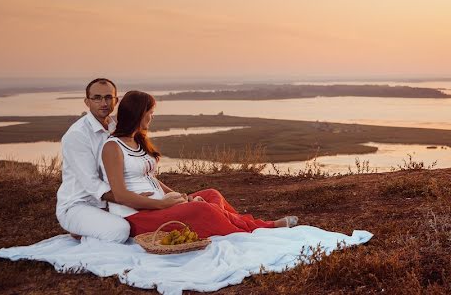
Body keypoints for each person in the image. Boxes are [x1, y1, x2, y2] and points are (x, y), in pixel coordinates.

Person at [100, 90, 297, 238]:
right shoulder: (112, 147)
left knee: (211, 194)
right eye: (150, 112)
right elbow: (120, 195)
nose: (153, 117)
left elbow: (150, 177)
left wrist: (180, 197)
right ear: (138, 113)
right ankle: (261, 228)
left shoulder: (138, 141)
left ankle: (246, 226)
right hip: (138, 216)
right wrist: (161, 204)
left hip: (161, 205)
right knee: (203, 210)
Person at [56, 78, 136, 242]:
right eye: (97, 98)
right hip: (79, 205)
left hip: (112, 202)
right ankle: (84, 232)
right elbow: (91, 183)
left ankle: (92, 230)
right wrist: (130, 199)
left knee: (149, 221)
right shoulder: (77, 135)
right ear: (87, 102)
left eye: (108, 97)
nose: (104, 102)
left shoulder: (116, 128)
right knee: (120, 230)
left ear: (116, 100)